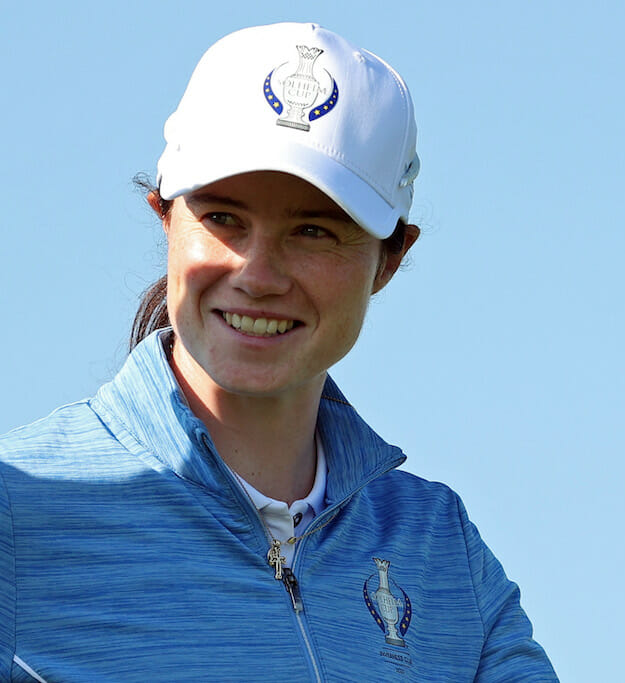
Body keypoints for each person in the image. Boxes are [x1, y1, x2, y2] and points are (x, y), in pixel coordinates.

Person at [0, 22, 556, 681]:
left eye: (314, 230)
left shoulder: (440, 548)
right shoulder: (18, 508)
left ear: (389, 260)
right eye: (223, 218)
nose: (258, 275)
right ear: (164, 217)